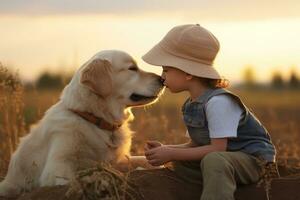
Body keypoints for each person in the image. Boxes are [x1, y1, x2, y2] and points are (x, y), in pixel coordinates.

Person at [142, 24, 277, 200]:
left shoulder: (218, 103)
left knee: (214, 161)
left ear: (188, 73)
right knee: (182, 161)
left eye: (166, 70)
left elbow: (217, 149)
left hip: (253, 162)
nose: (162, 76)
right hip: (225, 160)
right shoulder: (192, 104)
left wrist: (171, 153)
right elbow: (195, 145)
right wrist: (167, 150)